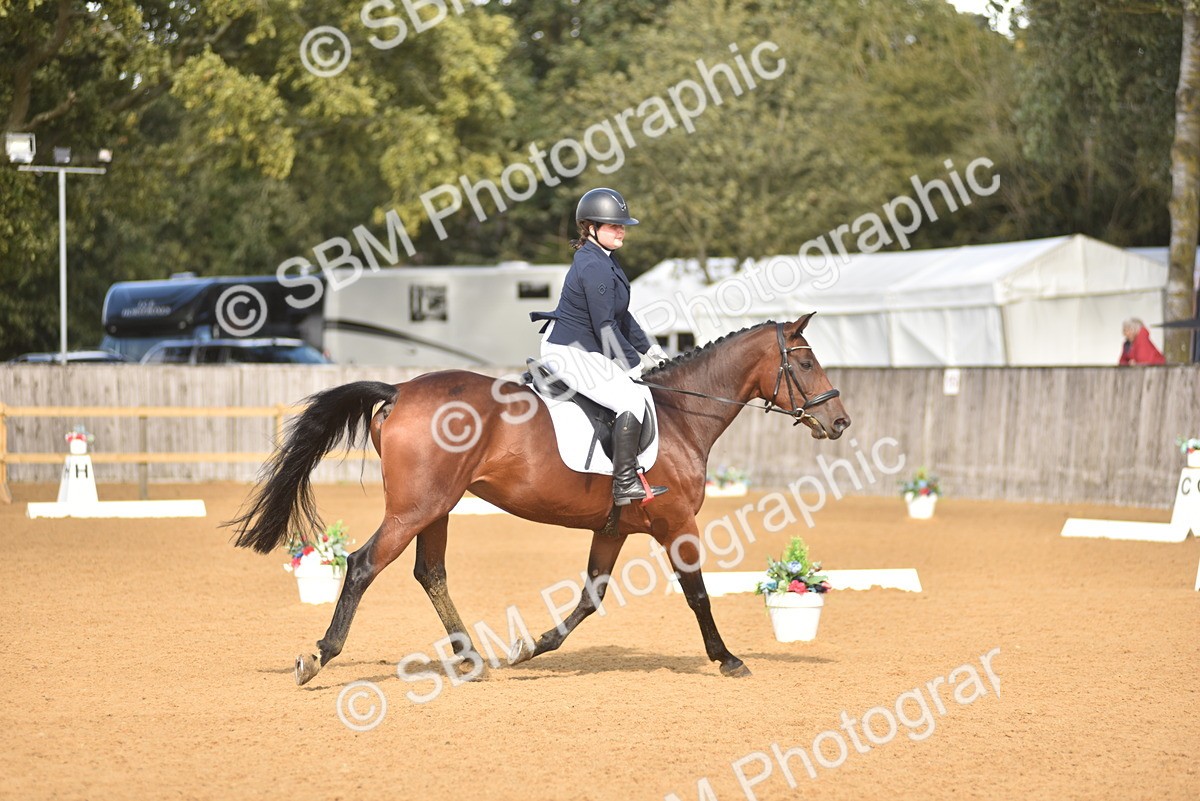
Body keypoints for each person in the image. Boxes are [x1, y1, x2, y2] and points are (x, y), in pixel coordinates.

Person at [531, 188, 671, 505]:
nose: (621, 230)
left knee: (633, 393)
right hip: (569, 350)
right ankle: (624, 484)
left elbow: (622, 316)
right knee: (631, 400)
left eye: (622, 225)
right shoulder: (593, 266)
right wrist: (633, 366)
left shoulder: (605, 260)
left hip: (587, 347)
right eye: (613, 225)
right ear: (590, 227)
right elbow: (605, 326)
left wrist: (650, 350)